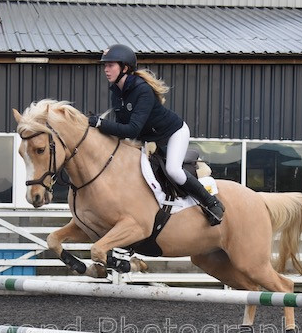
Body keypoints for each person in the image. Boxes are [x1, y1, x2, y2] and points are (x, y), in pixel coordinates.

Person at [88, 44, 224, 226]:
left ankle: (211, 203)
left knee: (173, 170)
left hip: (173, 134)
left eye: (110, 65)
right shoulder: (117, 92)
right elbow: (122, 128)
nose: (106, 69)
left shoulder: (142, 90)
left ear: (125, 68)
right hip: (150, 140)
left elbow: (132, 130)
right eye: (105, 65)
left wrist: (100, 123)